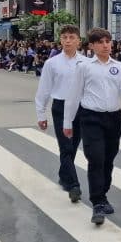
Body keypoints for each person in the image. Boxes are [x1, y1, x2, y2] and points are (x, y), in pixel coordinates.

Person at [62, 28, 121, 225]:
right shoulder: (84, 67)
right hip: (90, 118)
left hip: (113, 118)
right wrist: (67, 122)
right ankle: (97, 202)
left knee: (108, 159)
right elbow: (74, 95)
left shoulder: (120, 67)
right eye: (100, 42)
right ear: (92, 46)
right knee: (96, 158)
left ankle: (103, 194)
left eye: (108, 41)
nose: (105, 45)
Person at [35, 25, 88, 203]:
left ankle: (63, 175)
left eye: (71, 37)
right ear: (60, 40)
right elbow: (43, 90)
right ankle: (74, 186)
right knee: (65, 147)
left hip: (80, 109)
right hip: (60, 107)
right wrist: (41, 114)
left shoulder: (87, 63)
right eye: (64, 37)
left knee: (72, 147)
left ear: (78, 40)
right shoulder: (52, 63)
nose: (67, 40)